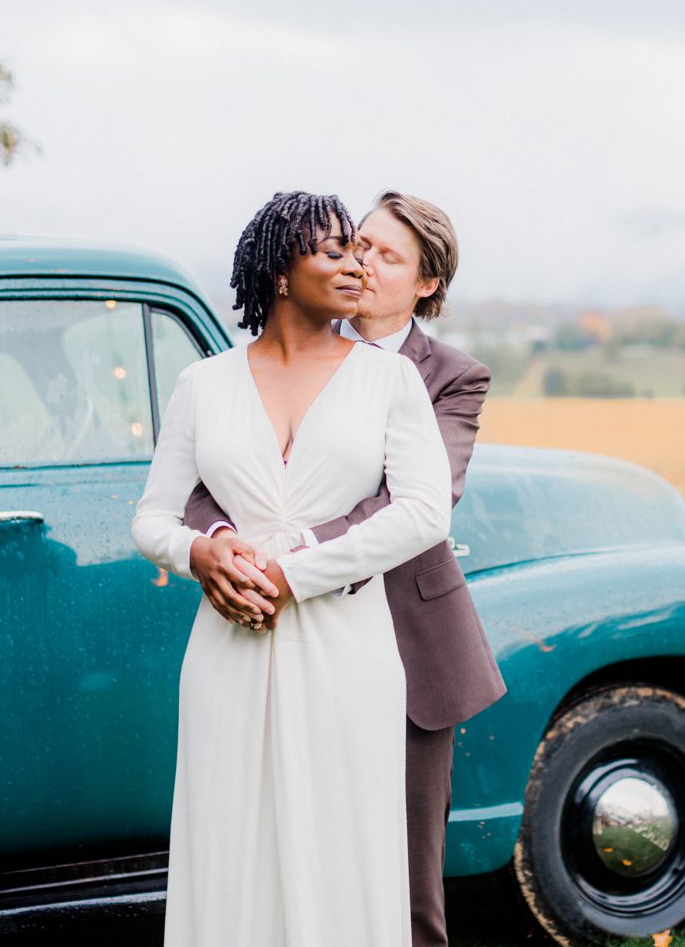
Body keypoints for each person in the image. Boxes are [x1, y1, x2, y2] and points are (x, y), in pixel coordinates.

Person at [185, 190, 507, 947]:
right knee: (290, 856)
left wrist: (279, 558)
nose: (362, 262)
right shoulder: (276, 356)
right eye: (357, 244)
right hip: (280, 643)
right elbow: (208, 484)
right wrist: (219, 540)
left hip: (404, 641)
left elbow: (418, 499)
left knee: (403, 879)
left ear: (427, 284)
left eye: (387, 256)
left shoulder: (448, 376)